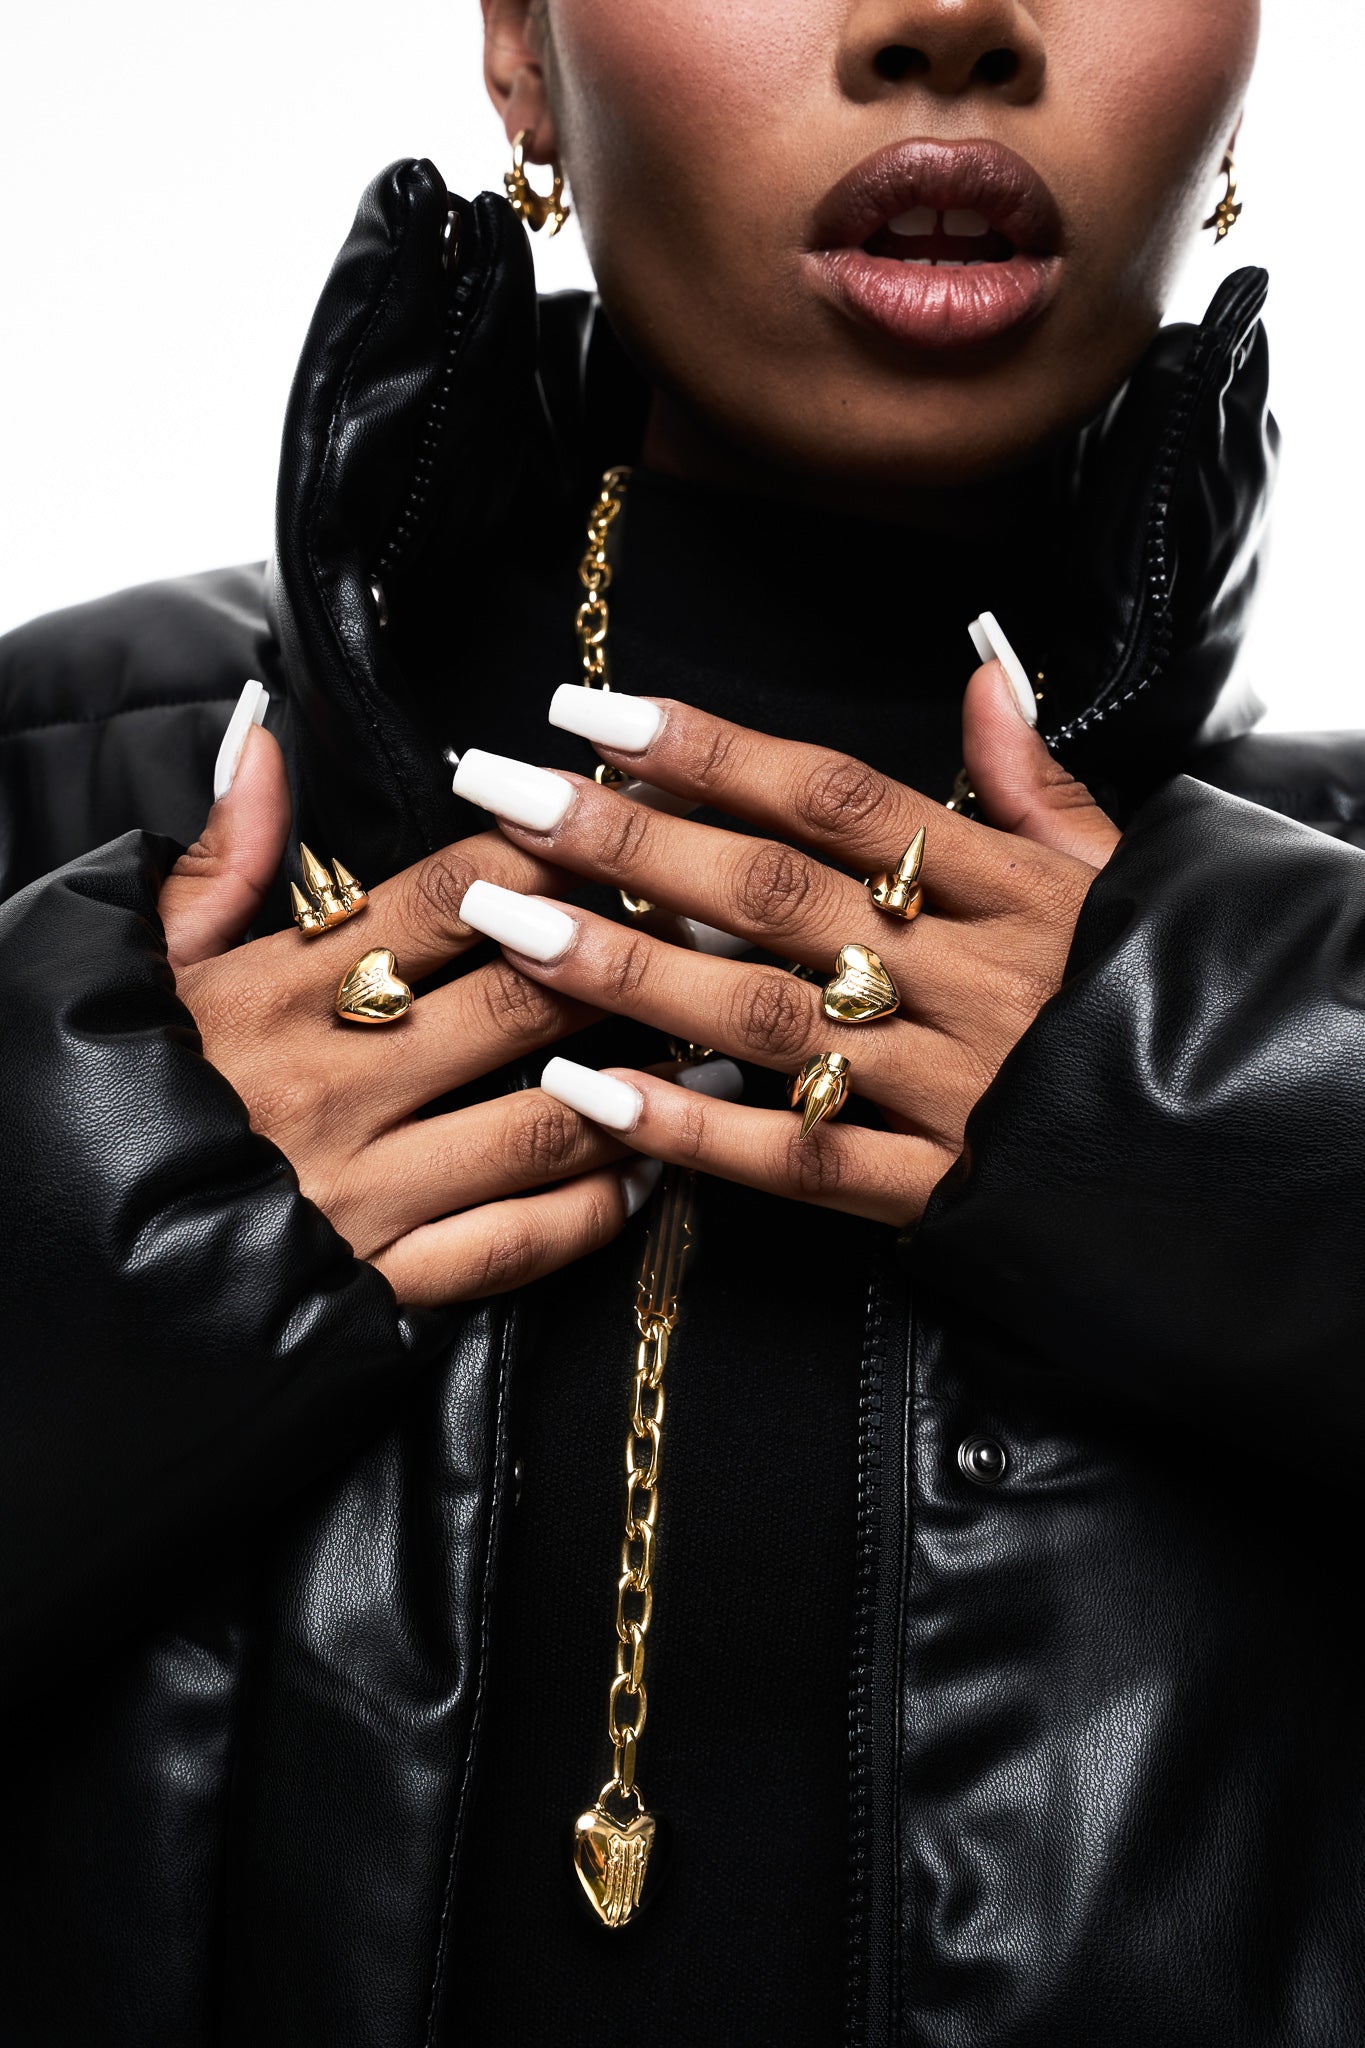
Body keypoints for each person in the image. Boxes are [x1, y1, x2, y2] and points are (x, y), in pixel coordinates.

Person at [1, 0, 1361, 2041]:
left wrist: (1247, 1099)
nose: (946, 18)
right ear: (521, 49)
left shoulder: (1325, 968)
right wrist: (57, 1258)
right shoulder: (53, 797)